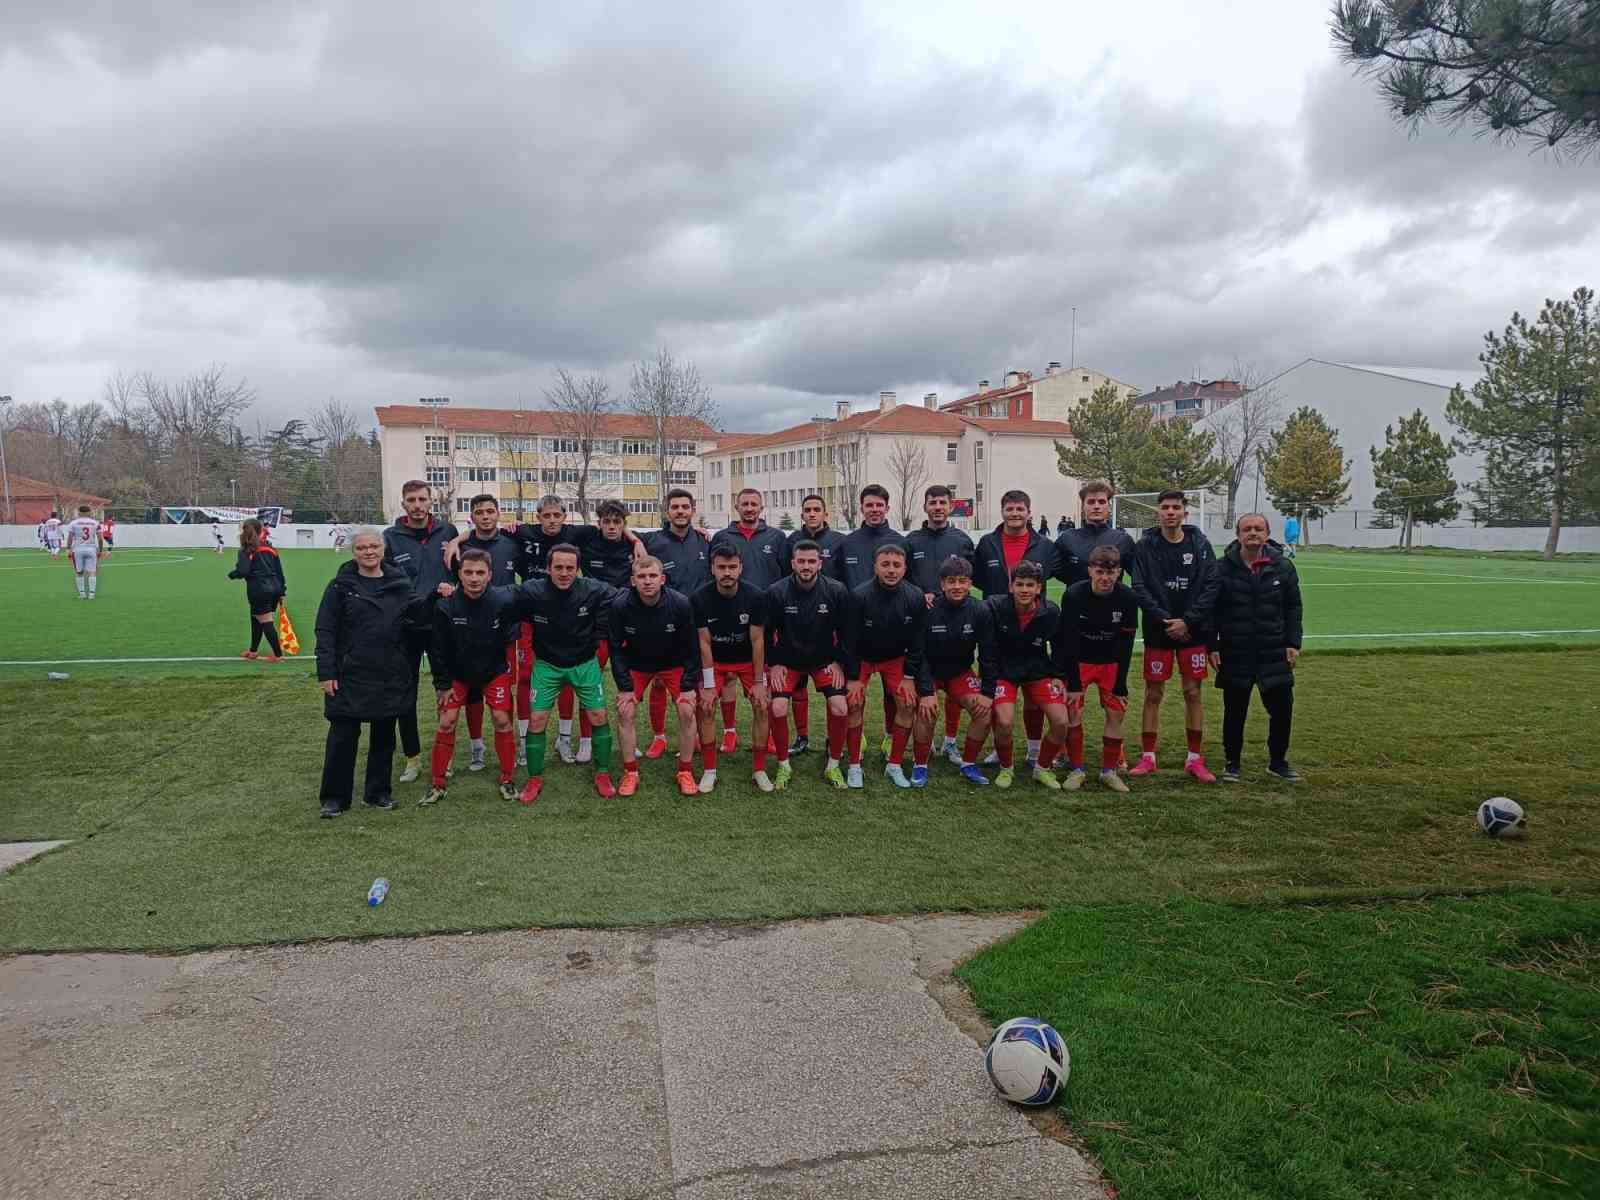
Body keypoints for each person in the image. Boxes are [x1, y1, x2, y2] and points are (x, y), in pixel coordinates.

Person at [314, 527, 440, 818]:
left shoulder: (399, 582)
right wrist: (326, 672)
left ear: (383, 549)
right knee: (343, 737)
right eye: (362, 548)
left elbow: (416, 616)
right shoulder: (339, 586)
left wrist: (434, 597)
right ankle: (334, 798)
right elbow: (325, 630)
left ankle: (378, 793)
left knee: (384, 738)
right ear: (353, 552)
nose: (369, 552)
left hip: (389, 672)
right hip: (350, 673)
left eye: (374, 546)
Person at [505, 542, 623, 804]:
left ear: (578, 570)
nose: (564, 573)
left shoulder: (592, 589)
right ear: (548, 569)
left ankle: (602, 773)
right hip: (547, 665)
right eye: (558, 567)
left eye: (570, 568)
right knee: (537, 720)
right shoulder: (534, 590)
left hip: (585, 664)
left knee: (598, 715)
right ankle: (535, 778)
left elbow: (624, 596)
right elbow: (503, 595)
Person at [1128, 490, 1221, 783]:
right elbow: (1139, 586)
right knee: (1153, 693)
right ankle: (1148, 757)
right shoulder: (1145, 546)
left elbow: (1211, 585)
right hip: (1159, 631)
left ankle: (1194, 759)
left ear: (1185, 513)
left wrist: (1188, 621)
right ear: (1158, 513)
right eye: (1165, 507)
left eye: (1176, 507)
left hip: (1193, 632)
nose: (1170, 512)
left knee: (1193, 692)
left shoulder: (1200, 544)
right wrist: (1164, 619)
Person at [421, 548, 521, 806]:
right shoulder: (446, 605)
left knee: (501, 719)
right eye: (468, 572)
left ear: (490, 575)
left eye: (480, 573)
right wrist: (442, 685)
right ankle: (438, 783)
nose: (474, 578)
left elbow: (512, 634)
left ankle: (507, 778)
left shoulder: (503, 601)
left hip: (493, 672)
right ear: (459, 574)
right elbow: (437, 649)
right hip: (457, 675)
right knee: (447, 721)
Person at [1210, 514, 1303, 783]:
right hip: (1234, 650)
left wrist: (1292, 642)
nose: (1253, 533)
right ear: (1238, 534)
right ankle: (1232, 763)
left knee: (1282, 710)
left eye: (1258, 528)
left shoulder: (1283, 567)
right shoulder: (1221, 568)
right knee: (1235, 711)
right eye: (1247, 529)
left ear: (1267, 533)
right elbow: (1211, 611)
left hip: (1273, 650)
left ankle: (1277, 762)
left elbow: (1293, 608)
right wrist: (1212, 646)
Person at [973, 489, 1060, 769]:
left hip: (1031, 624)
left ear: (1029, 512)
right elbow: (976, 578)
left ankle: (1034, 752)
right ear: (1002, 512)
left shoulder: (1045, 546)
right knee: (1001, 695)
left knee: (1034, 700)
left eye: (1020, 509)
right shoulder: (987, 543)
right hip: (998, 627)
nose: (1015, 514)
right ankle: (1001, 751)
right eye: (1009, 509)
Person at [381, 480, 460, 783]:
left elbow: (458, 572)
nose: (417, 505)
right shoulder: (391, 537)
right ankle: (412, 758)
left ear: (431, 502)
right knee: (406, 694)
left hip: (441, 624)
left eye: (422, 499)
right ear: (403, 504)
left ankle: (446, 755)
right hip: (407, 626)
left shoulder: (447, 532)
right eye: (411, 500)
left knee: (445, 691)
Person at [764, 539, 856, 789]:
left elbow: (847, 633)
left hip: (824, 661)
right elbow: (765, 633)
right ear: (793, 563)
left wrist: (838, 661)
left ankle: (833, 765)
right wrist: (773, 664)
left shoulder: (836, 591)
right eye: (801, 561)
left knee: (840, 708)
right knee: (778, 707)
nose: (806, 566)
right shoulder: (776, 591)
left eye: (811, 561)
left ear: (820, 563)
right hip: (788, 661)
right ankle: (783, 765)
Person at [608, 556, 701, 797]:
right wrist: (625, 687)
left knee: (687, 710)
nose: (647, 581)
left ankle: (685, 771)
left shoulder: (680, 604)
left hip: (673, 664)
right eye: (641, 576)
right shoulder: (620, 606)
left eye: (652, 576)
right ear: (632, 581)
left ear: (662, 579)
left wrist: (689, 686)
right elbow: (616, 649)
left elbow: (692, 647)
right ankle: (630, 772)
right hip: (637, 665)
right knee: (625, 710)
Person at [847, 543, 931, 788]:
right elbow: (849, 642)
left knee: (907, 702)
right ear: (875, 567)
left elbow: (918, 642)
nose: (891, 570)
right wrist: (853, 677)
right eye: (885, 565)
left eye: (896, 565)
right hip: (863, 658)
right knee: (852, 702)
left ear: (905, 568)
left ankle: (894, 764)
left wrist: (909, 676)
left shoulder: (915, 596)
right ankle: (854, 765)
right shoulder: (859, 596)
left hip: (895, 659)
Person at [983, 560, 1072, 791]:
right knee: (1004, 721)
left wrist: (1058, 675)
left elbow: (1060, 646)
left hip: (1038, 672)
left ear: (1039, 588)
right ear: (1010, 586)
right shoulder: (994, 607)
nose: (1024, 590)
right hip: (1004, 673)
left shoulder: (1051, 611)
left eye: (1030, 585)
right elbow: (987, 649)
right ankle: (1006, 768)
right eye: (1019, 584)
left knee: (1062, 721)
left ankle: (1041, 768)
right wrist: (988, 682)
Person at [692, 544, 774, 792]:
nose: (727, 572)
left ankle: (759, 770)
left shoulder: (756, 596)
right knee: (705, 707)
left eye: (732, 567)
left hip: (747, 660)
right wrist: (707, 685)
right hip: (715, 661)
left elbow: (758, 640)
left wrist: (759, 682)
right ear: (712, 569)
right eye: (721, 567)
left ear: (741, 568)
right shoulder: (698, 598)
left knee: (763, 704)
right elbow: (704, 644)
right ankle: (709, 770)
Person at [906, 484, 978, 762]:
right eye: (932, 502)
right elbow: (903, 577)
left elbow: (970, 576)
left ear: (950, 507)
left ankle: (950, 741)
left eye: (942, 503)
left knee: (955, 674)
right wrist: (918, 594)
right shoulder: (912, 540)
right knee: (922, 679)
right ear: (925, 507)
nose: (937, 507)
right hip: (922, 617)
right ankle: (924, 742)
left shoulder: (961, 540)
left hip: (954, 615)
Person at [453, 494, 524, 773]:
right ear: (472, 517)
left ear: (498, 514)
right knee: (472, 691)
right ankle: (476, 747)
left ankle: (514, 745)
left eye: (490, 511)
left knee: (506, 691)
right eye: (479, 511)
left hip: (505, 631)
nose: (485, 516)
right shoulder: (462, 545)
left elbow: (525, 577)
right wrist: (458, 540)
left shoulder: (511, 543)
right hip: (469, 632)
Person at [1060, 546, 1139, 793]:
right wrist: (1072, 683)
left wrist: (1121, 683)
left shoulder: (1127, 597)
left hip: (1111, 663)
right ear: (1090, 571)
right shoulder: (1074, 595)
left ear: (1119, 572)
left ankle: (1109, 771)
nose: (1105, 578)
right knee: (1073, 714)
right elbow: (1068, 642)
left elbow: (1126, 643)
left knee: (1116, 715)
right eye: (1100, 572)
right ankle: (1077, 769)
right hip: (1080, 661)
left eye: (1111, 572)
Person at [918, 556, 999, 786]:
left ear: (970, 583)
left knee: (984, 713)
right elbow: (919, 653)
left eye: (962, 581)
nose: (956, 586)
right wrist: (925, 691)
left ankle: (968, 763)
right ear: (942, 584)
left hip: (960, 673)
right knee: (927, 711)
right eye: (951, 581)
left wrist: (987, 692)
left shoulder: (980, 610)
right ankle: (920, 764)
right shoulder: (928, 609)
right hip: (931, 673)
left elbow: (988, 654)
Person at [782, 493, 846, 756]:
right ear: (802, 514)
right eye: (807, 509)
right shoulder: (791, 541)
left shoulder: (839, 542)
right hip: (796, 618)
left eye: (816, 509)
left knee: (832, 685)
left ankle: (834, 740)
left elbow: (844, 575)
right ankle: (802, 736)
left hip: (827, 620)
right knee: (798, 685)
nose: (812, 514)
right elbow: (784, 577)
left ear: (825, 513)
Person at [1055, 480, 1135, 587]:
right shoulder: (1067, 538)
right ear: (1083, 506)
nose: (1096, 506)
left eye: (1101, 502)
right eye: (1091, 502)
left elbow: (1139, 574)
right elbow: (1054, 570)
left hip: (1113, 603)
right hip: (1076, 602)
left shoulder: (1123, 540)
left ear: (1109, 506)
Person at [228, 517, 287, 660]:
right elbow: (279, 572)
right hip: (274, 588)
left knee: (265, 620)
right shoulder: (270, 548)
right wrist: (282, 590)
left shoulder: (246, 550)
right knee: (257, 618)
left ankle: (278, 655)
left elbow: (243, 571)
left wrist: (232, 574)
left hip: (259, 590)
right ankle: (253, 651)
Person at [711, 487, 790, 592]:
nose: (749, 509)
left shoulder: (777, 536)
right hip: (733, 601)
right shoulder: (721, 537)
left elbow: (786, 573)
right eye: (744, 504)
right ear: (736, 507)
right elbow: (712, 572)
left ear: (761, 508)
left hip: (768, 601)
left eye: (754, 504)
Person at [62, 505, 102, 600]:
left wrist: (68, 549)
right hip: (91, 549)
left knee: (79, 572)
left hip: (78, 549)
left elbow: (70, 537)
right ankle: (91, 594)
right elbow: (100, 538)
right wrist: (100, 550)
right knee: (92, 572)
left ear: (79, 512)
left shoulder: (74, 523)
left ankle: (82, 594)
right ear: (89, 512)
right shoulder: (95, 523)